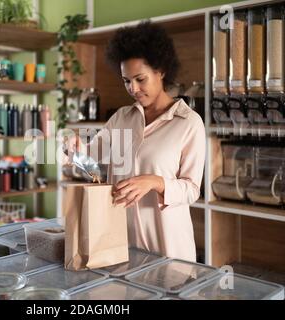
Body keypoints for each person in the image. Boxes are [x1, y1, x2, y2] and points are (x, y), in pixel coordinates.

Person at [65, 21, 206, 262]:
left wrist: (155, 182)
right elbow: (89, 163)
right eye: (126, 81)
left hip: (168, 246)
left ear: (160, 70)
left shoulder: (188, 122)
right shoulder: (121, 118)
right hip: (120, 243)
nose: (133, 88)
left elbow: (192, 189)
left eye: (140, 79)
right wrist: (74, 150)